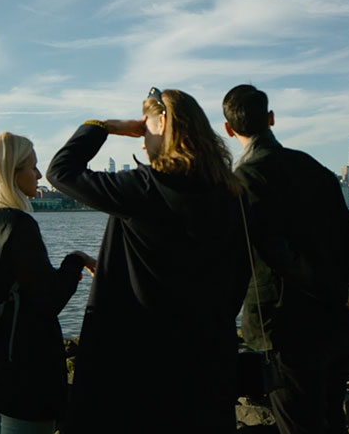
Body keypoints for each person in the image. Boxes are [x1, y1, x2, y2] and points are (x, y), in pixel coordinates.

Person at [47, 88, 249, 433]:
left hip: (137, 358)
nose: (142, 142)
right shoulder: (230, 193)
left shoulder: (144, 188)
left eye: (145, 129)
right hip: (205, 356)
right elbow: (238, 273)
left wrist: (105, 126)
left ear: (164, 123)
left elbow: (61, 171)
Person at [221, 84, 349, 434]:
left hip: (287, 331)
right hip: (338, 324)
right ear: (271, 118)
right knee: (332, 419)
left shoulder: (243, 180)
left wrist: (340, 292)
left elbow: (278, 256)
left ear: (229, 129)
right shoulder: (314, 168)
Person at [0, 131, 97, 434]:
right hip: (24, 375)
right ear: (11, 172)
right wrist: (75, 261)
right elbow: (49, 300)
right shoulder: (17, 224)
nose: (39, 175)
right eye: (32, 167)